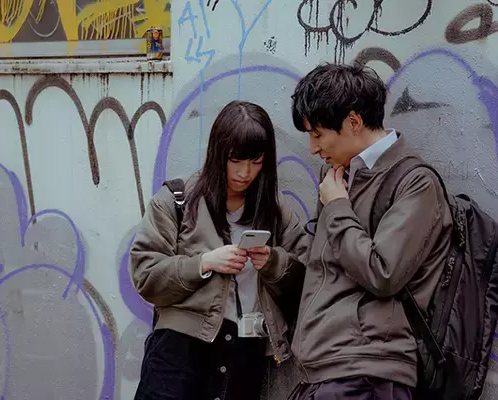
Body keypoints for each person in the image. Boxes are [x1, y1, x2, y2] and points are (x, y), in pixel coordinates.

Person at [288, 63, 453, 399]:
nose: (313, 149)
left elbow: (383, 273)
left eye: (317, 134)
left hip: (368, 371)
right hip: (326, 367)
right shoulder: (337, 176)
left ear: (353, 122)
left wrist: (337, 207)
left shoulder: (416, 183)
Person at [129, 100, 309, 400]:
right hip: (179, 350)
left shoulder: (277, 212)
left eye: (256, 161)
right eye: (235, 160)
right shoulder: (177, 200)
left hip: (246, 353)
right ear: (217, 152)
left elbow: (307, 284)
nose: (244, 172)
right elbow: (145, 276)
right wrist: (204, 263)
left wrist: (273, 262)